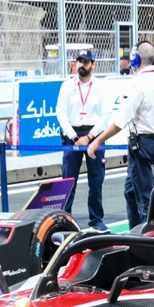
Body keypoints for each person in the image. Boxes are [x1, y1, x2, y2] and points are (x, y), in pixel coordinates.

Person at [88, 40, 154, 227]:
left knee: (145, 201)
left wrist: (98, 141)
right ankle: (135, 232)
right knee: (131, 191)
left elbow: (119, 121)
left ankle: (148, 239)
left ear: (135, 60)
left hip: (141, 145)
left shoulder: (136, 84)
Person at [55, 48, 110, 230]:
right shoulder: (67, 86)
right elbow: (60, 113)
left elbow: (106, 116)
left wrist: (89, 137)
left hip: (94, 135)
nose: (81, 65)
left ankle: (96, 220)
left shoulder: (100, 86)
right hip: (72, 135)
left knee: (96, 180)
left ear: (93, 64)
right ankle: (64, 221)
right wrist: (73, 136)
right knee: (68, 180)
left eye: (85, 62)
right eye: (79, 61)